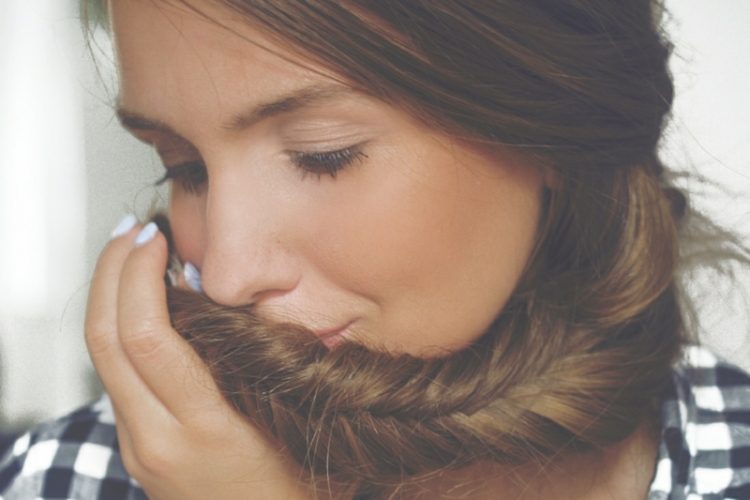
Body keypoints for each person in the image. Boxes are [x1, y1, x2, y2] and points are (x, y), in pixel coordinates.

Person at [1, 0, 749, 499]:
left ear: (555, 123)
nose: (225, 274)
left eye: (324, 155)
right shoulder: (63, 478)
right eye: (181, 167)